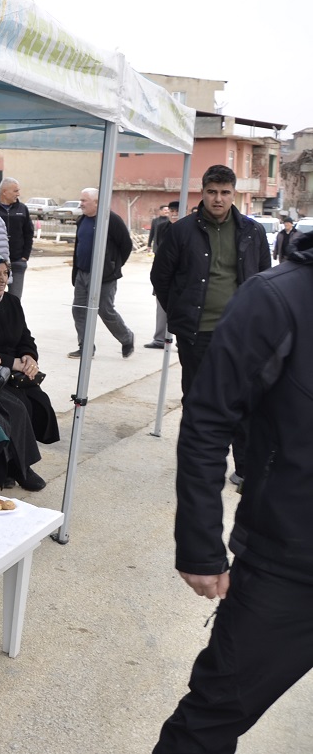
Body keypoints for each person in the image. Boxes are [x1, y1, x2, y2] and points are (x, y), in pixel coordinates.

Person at [153, 227, 313, 753]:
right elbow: (206, 420)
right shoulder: (278, 297)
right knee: (211, 719)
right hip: (288, 564)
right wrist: (200, 544)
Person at [150, 165, 270, 397]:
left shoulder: (252, 231)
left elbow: (265, 277)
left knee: (233, 398)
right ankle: (194, 435)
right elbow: (160, 277)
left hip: (238, 330)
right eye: (212, 192)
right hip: (196, 332)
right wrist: (179, 311)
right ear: (202, 192)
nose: (218, 199)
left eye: (225, 192)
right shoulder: (181, 231)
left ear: (234, 194)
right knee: (196, 396)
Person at [0, 251, 60, 445]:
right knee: (18, 410)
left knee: (40, 404)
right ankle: (18, 465)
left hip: (17, 374)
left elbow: (25, 336)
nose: (3, 279)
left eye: (5, 273)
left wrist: (29, 356)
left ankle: (23, 457)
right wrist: (11, 362)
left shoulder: (11, 301)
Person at [69, 187, 135, 359]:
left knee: (105, 310)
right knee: (79, 310)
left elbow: (126, 245)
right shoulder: (82, 220)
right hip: (82, 274)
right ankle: (86, 347)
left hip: (104, 276)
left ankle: (127, 338)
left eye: (84, 200)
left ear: (97, 202)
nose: (81, 204)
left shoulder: (111, 220)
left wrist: (113, 266)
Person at [0, 177, 33, 298]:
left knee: (15, 300)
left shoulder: (22, 209)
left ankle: (11, 318)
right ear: (4, 192)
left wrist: (24, 257)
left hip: (17, 262)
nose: (18, 194)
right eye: (15, 191)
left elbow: (29, 233)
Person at [145, 201, 179, 350]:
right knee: (161, 308)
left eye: (177, 211)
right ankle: (159, 339)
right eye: (171, 211)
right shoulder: (161, 227)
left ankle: (182, 339)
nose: (173, 213)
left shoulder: (189, 228)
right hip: (164, 274)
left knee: (182, 309)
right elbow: (158, 249)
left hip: (182, 276)